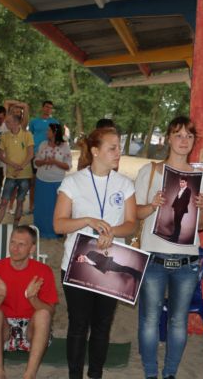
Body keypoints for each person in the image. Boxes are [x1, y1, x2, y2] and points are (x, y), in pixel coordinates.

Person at [54, 127, 136, 379]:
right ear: (95, 151)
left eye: (119, 147)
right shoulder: (72, 182)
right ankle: (75, 375)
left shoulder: (124, 184)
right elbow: (58, 225)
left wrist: (112, 231)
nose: (118, 152)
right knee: (78, 324)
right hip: (77, 262)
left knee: (102, 325)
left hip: (111, 261)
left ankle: (96, 374)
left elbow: (131, 224)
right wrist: (87, 220)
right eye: (112, 148)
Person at [135, 116, 203, 379]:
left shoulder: (201, 178)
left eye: (189, 136)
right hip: (153, 257)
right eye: (178, 135)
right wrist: (152, 205)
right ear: (168, 138)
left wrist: (201, 209)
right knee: (149, 320)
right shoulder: (150, 171)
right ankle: (150, 373)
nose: (183, 140)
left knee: (179, 321)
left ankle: (170, 374)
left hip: (186, 261)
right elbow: (135, 213)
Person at [0, 225, 58, 379]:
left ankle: (29, 375)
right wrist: (0, 297)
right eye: (12, 243)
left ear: (32, 248)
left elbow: (50, 311)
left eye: (21, 244)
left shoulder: (43, 271)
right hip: (3, 329)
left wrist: (33, 298)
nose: (15, 248)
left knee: (43, 315)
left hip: (32, 331)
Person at [0, 114, 34, 227]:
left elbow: (31, 154)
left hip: (25, 175)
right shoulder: (5, 136)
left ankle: (15, 227)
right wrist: (13, 165)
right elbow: (1, 155)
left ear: (16, 123)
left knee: (20, 201)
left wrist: (21, 166)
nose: (6, 123)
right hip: (11, 174)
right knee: (4, 201)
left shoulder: (27, 135)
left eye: (8, 121)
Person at [34, 123, 72, 238]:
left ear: (55, 132)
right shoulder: (43, 144)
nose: (46, 132)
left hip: (57, 182)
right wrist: (44, 161)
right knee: (41, 206)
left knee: (55, 207)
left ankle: (55, 231)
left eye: (48, 130)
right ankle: (40, 230)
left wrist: (55, 162)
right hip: (41, 180)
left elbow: (68, 166)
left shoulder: (65, 146)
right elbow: (36, 162)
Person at [28, 101, 59, 214]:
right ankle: (31, 206)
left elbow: (58, 138)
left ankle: (46, 206)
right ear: (42, 107)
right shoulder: (34, 121)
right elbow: (29, 136)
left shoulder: (55, 122)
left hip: (50, 156)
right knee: (33, 182)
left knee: (47, 181)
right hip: (35, 154)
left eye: (51, 108)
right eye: (46, 107)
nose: (48, 109)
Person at [76, 250, 142, 282]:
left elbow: (100, 256)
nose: (81, 260)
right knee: (122, 269)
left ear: (81, 255)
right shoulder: (87, 262)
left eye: (80, 258)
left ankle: (137, 274)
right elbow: (96, 265)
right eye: (80, 261)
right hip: (107, 267)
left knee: (122, 268)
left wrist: (105, 264)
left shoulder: (90, 253)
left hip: (108, 263)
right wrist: (103, 269)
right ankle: (135, 274)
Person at [169, 176, 192, 243]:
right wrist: (174, 205)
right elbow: (178, 198)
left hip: (181, 209)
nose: (181, 183)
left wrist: (181, 209)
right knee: (176, 222)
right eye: (180, 182)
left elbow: (187, 201)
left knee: (178, 223)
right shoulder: (181, 189)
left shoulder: (188, 190)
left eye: (182, 182)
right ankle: (174, 235)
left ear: (186, 183)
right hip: (176, 208)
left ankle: (175, 238)